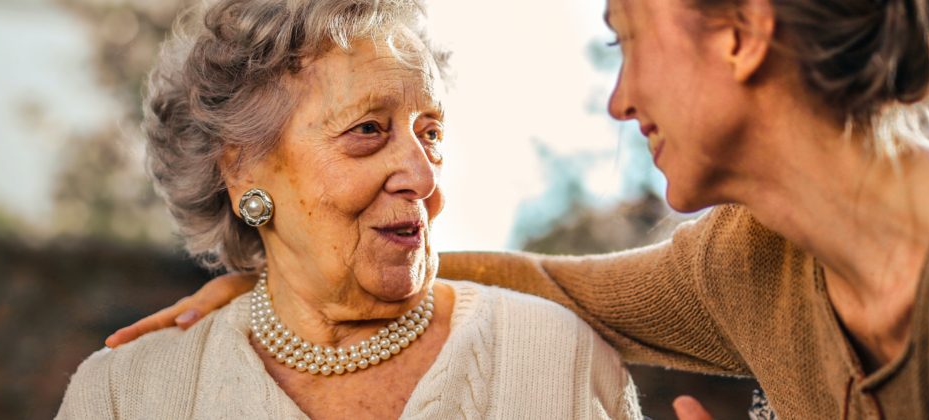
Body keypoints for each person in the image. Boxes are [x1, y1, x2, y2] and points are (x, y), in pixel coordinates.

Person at [105, 0, 929, 417]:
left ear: (740, 32)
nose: (619, 97)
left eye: (627, 38)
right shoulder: (757, 259)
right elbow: (547, 283)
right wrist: (275, 278)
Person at [55, 0, 642, 418]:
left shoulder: (559, 362)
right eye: (367, 129)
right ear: (242, 170)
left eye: (430, 133)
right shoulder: (123, 397)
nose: (422, 175)